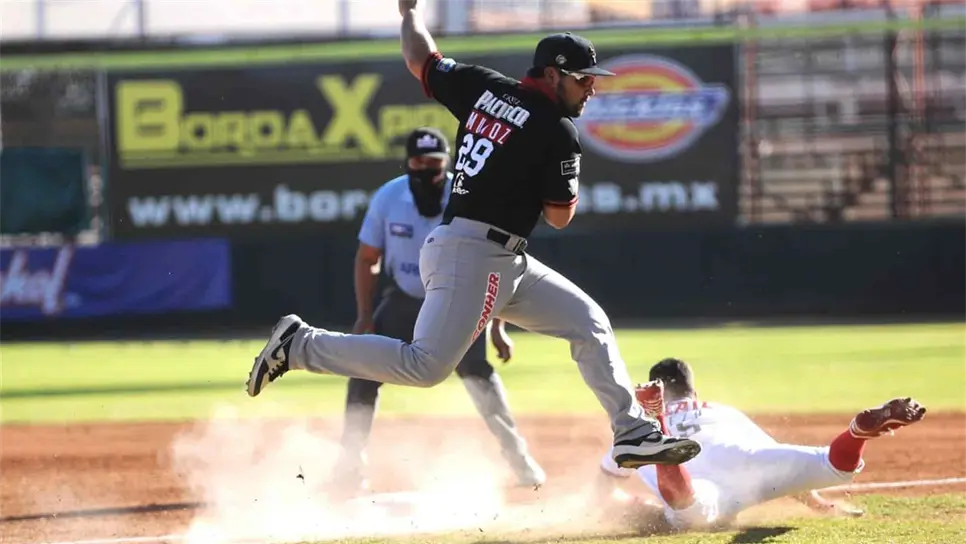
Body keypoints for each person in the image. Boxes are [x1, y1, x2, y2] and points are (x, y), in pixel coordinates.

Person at [245, 0, 702, 470]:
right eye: (582, 79)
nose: (591, 89)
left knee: (588, 322)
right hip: (475, 254)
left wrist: (408, 14)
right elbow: (560, 216)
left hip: (493, 255)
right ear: (551, 75)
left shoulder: (484, 88)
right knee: (424, 367)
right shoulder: (557, 130)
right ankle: (300, 345)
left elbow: (420, 59)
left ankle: (629, 433)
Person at [331, 127, 545, 493]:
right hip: (403, 300)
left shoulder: (469, 198)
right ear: (407, 162)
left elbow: (494, 262)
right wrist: (364, 316)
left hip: (458, 302)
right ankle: (350, 464)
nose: (426, 171)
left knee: (480, 378)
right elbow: (368, 258)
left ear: (449, 164)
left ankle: (520, 461)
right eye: (419, 163)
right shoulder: (389, 196)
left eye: (435, 164)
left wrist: (497, 326)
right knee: (362, 371)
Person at [596, 358, 927, 531]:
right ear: (693, 392)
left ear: (662, 394)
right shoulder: (722, 410)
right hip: (747, 461)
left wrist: (642, 512)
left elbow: (606, 492)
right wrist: (820, 506)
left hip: (697, 480)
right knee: (835, 467)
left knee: (689, 512)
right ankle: (857, 432)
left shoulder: (633, 428)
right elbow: (781, 473)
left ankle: (661, 424)